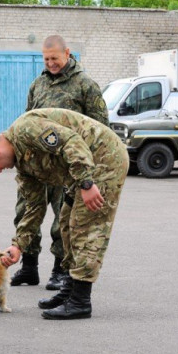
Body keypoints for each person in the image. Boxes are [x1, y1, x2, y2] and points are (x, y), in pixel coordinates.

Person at [0, 108, 128, 320]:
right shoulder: (23, 167)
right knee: (66, 221)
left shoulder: (26, 129)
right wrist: (18, 245)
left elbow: (71, 141)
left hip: (103, 159)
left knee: (85, 227)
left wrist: (86, 183)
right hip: (81, 172)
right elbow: (34, 206)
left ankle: (80, 301)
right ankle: (69, 290)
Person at [11, 35, 109, 291]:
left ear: (67, 53)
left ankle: (60, 270)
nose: (50, 63)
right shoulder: (38, 84)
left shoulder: (85, 85)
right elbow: (28, 118)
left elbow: (100, 128)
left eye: (54, 58)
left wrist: (89, 169)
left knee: (62, 219)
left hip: (68, 167)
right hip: (37, 164)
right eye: (46, 59)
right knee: (25, 210)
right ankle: (29, 266)